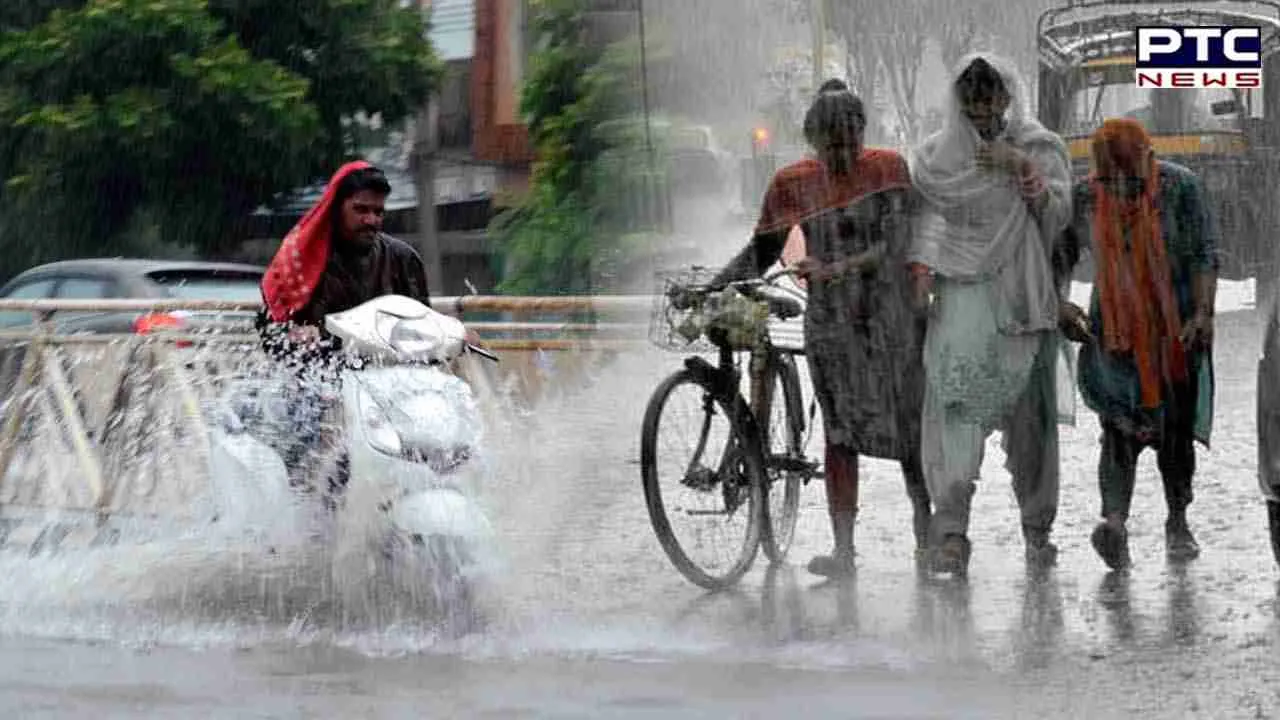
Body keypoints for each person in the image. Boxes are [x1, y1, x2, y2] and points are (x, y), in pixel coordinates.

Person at [715, 78, 931, 577]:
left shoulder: (889, 170)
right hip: (831, 326)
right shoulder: (791, 184)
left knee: (910, 432)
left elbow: (900, 245)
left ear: (863, 133)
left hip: (891, 321)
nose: (842, 152)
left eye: (849, 141)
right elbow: (762, 252)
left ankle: (926, 537)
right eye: (831, 143)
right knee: (839, 434)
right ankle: (844, 551)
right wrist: (720, 285)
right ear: (812, 140)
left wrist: (839, 268)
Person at [907, 54, 1074, 576]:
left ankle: (1037, 530)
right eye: (972, 98)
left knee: (1032, 422)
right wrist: (921, 272)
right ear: (959, 101)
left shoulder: (1041, 148)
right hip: (960, 300)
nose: (983, 108)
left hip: (1023, 299)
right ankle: (952, 530)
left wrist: (1018, 167)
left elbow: (1060, 217)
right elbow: (928, 223)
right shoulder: (937, 158)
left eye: (992, 95)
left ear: (1008, 95)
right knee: (956, 409)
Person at [1055, 118, 1216, 569]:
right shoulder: (1087, 195)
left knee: (1174, 433)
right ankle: (1115, 523)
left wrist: (1203, 313)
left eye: (1130, 178)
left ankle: (1177, 520)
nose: (1122, 188)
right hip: (1114, 331)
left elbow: (1205, 252)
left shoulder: (1182, 189)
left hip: (1176, 330)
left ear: (1148, 160)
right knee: (1118, 431)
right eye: (1112, 178)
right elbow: (1060, 257)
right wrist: (1059, 306)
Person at [255, 161, 470, 498]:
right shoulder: (301, 259)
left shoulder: (402, 259)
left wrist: (453, 334)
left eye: (378, 212)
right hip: (320, 385)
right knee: (312, 438)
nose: (371, 219)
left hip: (390, 388)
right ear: (336, 207)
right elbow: (270, 329)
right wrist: (297, 337)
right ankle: (309, 526)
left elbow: (421, 327)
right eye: (361, 209)